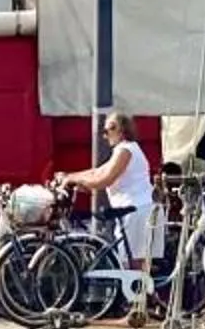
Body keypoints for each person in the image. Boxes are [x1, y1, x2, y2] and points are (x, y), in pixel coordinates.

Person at [59, 115, 157, 300]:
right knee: (133, 262)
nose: (105, 136)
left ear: (120, 130)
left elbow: (104, 179)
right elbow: (97, 172)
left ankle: (140, 308)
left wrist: (72, 179)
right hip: (135, 209)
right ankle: (142, 306)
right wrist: (70, 176)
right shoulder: (123, 150)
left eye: (107, 130)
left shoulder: (125, 150)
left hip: (136, 209)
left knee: (134, 263)